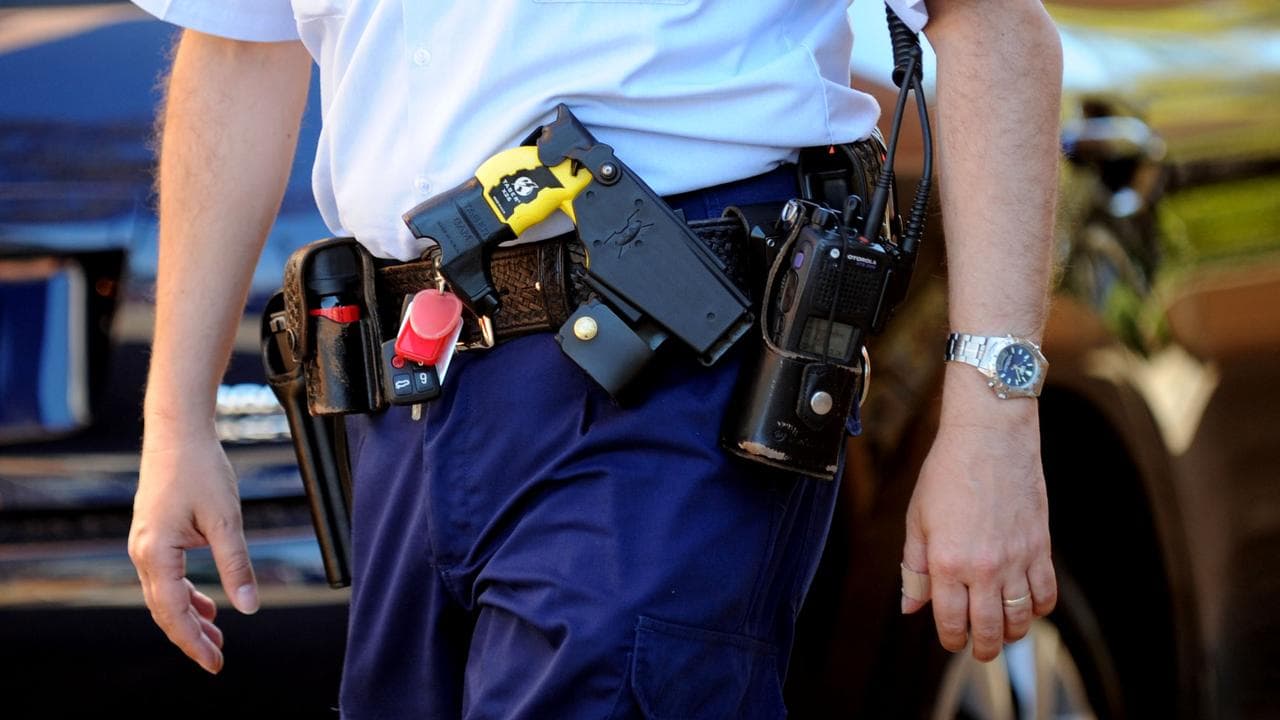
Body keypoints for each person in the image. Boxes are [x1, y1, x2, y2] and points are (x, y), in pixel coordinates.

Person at [126, 0, 1063, 716]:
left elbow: (993, 25)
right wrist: (175, 421)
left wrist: (993, 418)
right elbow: (240, 42)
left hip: (670, 368)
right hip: (408, 387)